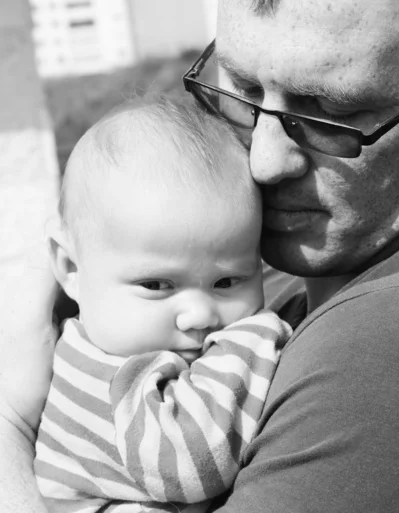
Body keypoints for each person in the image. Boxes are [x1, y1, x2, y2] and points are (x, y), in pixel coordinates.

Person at [1, 0, 399, 511]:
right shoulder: (295, 289)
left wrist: (10, 426)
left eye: (329, 113)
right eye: (239, 90)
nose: (264, 161)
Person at [32, 96, 291, 513]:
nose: (200, 315)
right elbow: (191, 464)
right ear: (70, 267)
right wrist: (256, 338)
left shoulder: (112, 340)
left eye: (227, 281)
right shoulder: (106, 379)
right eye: (156, 285)